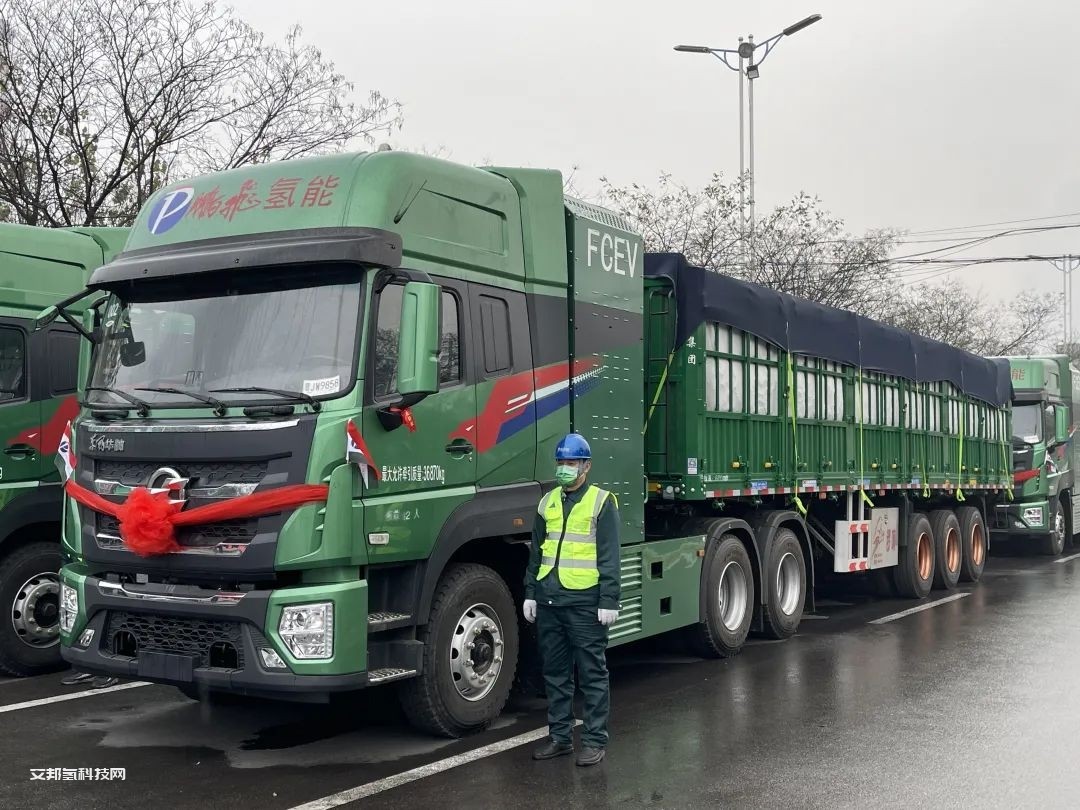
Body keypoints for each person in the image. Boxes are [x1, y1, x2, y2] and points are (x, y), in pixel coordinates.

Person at [523, 432, 620, 767]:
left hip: (584, 603)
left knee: (592, 674)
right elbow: (537, 552)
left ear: (586, 466)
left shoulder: (601, 502)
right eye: (561, 462)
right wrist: (530, 593)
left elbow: (610, 556)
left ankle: (594, 740)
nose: (565, 468)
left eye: (572, 462)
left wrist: (609, 599)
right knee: (555, 673)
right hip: (550, 601)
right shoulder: (547, 501)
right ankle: (560, 737)